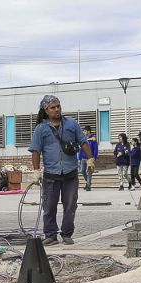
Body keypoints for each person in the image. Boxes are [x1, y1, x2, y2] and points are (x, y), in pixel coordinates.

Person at [30, 95, 94, 245]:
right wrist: (36, 170)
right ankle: (51, 235)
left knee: (70, 205)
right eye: (53, 107)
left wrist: (90, 158)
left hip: (70, 173)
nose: (57, 109)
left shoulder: (72, 124)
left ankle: (67, 234)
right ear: (46, 110)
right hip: (51, 175)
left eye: (58, 106)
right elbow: (35, 151)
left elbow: (83, 142)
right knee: (49, 207)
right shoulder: (41, 128)